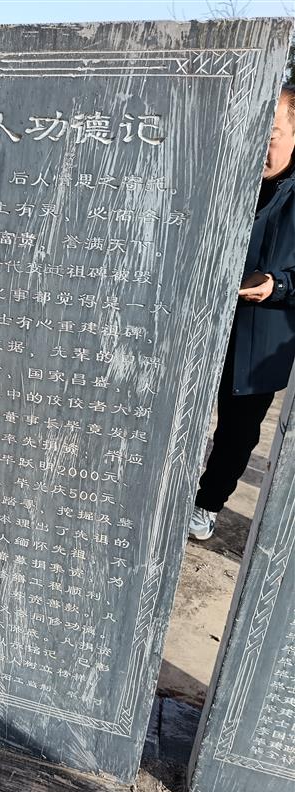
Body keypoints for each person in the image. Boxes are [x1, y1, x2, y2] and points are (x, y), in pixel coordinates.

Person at [189, 84, 295, 540]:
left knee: (237, 432)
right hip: (202, 322)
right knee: (182, 413)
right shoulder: (228, 176)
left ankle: (207, 505)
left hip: (262, 333)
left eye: (270, 135)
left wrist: (278, 285)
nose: (259, 147)